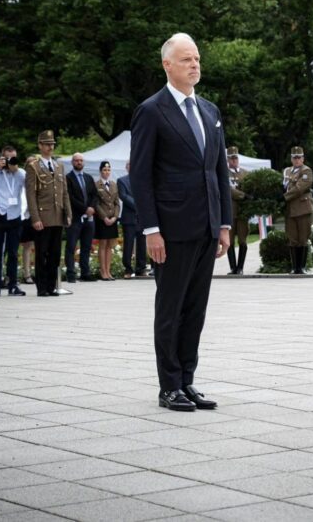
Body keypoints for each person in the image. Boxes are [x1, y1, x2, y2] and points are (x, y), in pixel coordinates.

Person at [130, 32, 231, 412]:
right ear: (167, 65)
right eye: (187, 59)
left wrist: (223, 223)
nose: (195, 65)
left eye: (198, 59)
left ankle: (187, 380)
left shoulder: (209, 111)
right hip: (170, 230)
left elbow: (218, 171)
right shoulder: (152, 111)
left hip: (206, 226)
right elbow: (140, 176)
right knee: (170, 309)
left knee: (195, 309)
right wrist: (151, 229)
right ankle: (168, 385)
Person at [25, 130, 72, 297]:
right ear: (40, 146)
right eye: (46, 144)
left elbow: (64, 192)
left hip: (57, 216)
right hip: (43, 217)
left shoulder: (59, 166)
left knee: (54, 254)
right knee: (41, 253)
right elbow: (30, 194)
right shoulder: (34, 167)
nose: (50, 147)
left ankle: (52, 286)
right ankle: (42, 287)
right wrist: (35, 218)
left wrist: (68, 213)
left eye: (51, 144)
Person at [0, 146, 26, 296]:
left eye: (13, 157)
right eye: (8, 158)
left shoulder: (19, 173)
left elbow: (26, 181)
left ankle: (13, 284)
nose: (11, 161)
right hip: (0, 217)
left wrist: (15, 168)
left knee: (14, 253)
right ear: (2, 158)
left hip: (14, 217)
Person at [65, 152, 99, 282]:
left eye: (81, 160)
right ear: (72, 163)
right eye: (76, 160)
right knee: (71, 246)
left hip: (89, 218)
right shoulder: (68, 178)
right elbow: (70, 197)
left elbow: (95, 195)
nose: (79, 162)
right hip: (75, 217)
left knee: (86, 246)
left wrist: (91, 208)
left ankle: (85, 273)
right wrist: (85, 208)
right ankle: (71, 273)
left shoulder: (89, 178)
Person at [283, 146, 313, 274]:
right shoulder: (287, 171)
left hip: (302, 209)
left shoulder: (306, 171)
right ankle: (294, 267)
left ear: (303, 158)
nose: (296, 160)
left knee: (302, 238)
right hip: (290, 210)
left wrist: (284, 197)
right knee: (292, 239)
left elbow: (300, 188)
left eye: (299, 157)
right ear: (291, 159)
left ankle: (302, 267)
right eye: (294, 157)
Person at [118, 160, 148, 279]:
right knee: (128, 244)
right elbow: (123, 196)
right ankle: (128, 269)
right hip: (129, 218)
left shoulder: (142, 180)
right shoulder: (122, 180)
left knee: (142, 244)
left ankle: (141, 268)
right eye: (130, 165)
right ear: (126, 167)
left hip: (142, 218)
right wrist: (138, 206)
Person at [94, 161, 119, 280]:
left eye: (108, 170)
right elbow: (97, 204)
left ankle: (108, 271)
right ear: (100, 171)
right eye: (104, 170)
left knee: (110, 245)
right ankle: (103, 271)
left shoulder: (114, 184)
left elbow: (117, 203)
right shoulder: (97, 185)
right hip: (102, 219)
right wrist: (105, 217)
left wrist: (115, 217)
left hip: (112, 219)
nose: (107, 172)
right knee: (103, 245)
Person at [226, 146, 249, 275]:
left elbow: (250, 188)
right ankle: (232, 267)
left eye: (235, 157)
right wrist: (242, 195)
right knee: (229, 241)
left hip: (242, 211)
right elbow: (227, 190)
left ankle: (240, 267)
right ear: (227, 159)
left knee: (242, 240)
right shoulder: (224, 173)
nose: (233, 160)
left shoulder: (245, 173)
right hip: (229, 211)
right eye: (231, 158)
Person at [20, 156, 37, 285]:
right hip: (23, 215)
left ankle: (31, 272)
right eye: (30, 163)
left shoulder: (40, 179)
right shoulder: (22, 178)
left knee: (33, 246)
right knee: (24, 246)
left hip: (36, 215)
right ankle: (24, 273)